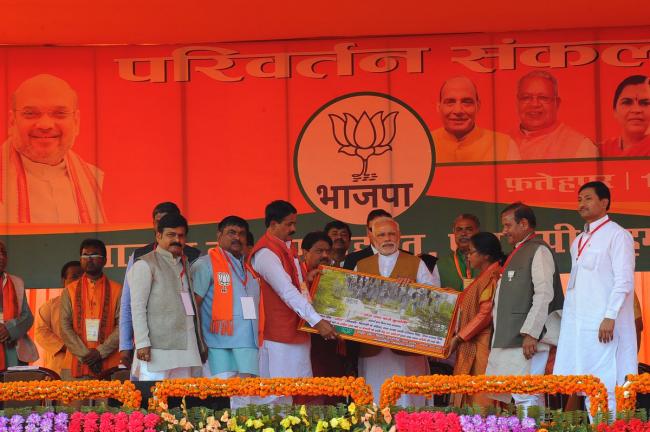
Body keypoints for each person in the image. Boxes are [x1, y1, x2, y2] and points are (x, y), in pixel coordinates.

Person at [553, 181, 636, 415]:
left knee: (606, 382)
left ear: (604, 202)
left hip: (604, 324)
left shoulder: (618, 235)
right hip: (580, 326)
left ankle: (610, 428)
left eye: (588, 198)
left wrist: (610, 316)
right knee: (586, 382)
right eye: (579, 199)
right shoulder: (578, 240)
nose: (581, 204)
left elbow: (624, 281)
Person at [248, 200, 337, 404]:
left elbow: (298, 287)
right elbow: (286, 291)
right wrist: (317, 321)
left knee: (293, 395)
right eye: (289, 224)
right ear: (273, 224)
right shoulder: (266, 253)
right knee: (275, 398)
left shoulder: (286, 248)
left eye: (294, 223)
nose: (293, 229)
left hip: (297, 331)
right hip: (277, 336)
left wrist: (307, 281)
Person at [485, 202, 564, 412]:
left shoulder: (539, 250)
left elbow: (544, 294)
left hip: (528, 339)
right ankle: (534, 426)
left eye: (508, 225)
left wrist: (531, 333)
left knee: (526, 394)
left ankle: (532, 426)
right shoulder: (520, 251)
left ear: (524, 224)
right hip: (513, 338)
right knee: (523, 394)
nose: (504, 231)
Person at [1, 74, 106, 223]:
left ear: (76, 122)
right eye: (30, 113)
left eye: (59, 114)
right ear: (12, 122)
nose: (45, 125)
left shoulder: (97, 180)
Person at [355, 218, 438, 407]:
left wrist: (414, 290)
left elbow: (434, 299)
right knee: (374, 396)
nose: (387, 239)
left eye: (391, 234)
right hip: (373, 346)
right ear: (372, 238)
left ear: (399, 236)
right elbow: (352, 301)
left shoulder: (416, 263)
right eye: (381, 235)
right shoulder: (361, 265)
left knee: (409, 397)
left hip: (407, 347)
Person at [119, 202, 201, 369]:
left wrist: (199, 343)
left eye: (181, 235)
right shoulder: (145, 263)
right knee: (153, 387)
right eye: (171, 235)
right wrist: (141, 343)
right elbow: (136, 306)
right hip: (156, 349)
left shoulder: (186, 262)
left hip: (187, 347)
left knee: (185, 387)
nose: (177, 240)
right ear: (158, 235)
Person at [191, 216, 260, 408]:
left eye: (242, 234)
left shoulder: (249, 269)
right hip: (218, 348)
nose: (237, 237)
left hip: (248, 348)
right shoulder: (205, 264)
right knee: (219, 406)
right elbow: (194, 306)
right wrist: (199, 341)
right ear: (219, 235)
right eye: (231, 232)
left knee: (245, 406)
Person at [448, 232, 504, 408]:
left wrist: (459, 337)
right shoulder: (484, 275)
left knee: (481, 396)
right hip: (473, 342)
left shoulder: (493, 275)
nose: (468, 256)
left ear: (485, 255)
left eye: (471, 252)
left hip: (483, 345)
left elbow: (485, 314)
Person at [60, 239, 121, 379]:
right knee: (74, 395)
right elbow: (64, 327)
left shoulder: (118, 290)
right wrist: (86, 355)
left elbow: (122, 326)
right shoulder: (69, 290)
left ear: (104, 260)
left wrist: (100, 352)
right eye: (85, 255)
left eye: (94, 255)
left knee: (108, 395)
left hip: (109, 363)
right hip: (75, 362)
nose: (89, 259)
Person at [512, 71, 597, 160]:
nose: (534, 104)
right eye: (526, 97)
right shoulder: (504, 141)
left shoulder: (582, 146)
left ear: (557, 103)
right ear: (517, 102)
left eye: (543, 98)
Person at [432, 76, 518, 163]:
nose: (458, 110)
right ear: (439, 107)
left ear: (478, 106)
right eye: (450, 102)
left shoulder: (504, 145)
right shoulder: (426, 143)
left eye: (467, 102)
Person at [35, 260, 81, 375]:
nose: (79, 281)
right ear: (63, 281)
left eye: (83, 277)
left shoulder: (95, 305)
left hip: (87, 365)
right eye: (74, 277)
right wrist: (66, 347)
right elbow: (41, 332)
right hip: (58, 368)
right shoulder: (50, 306)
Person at [0, 241, 38, 369]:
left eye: (4, 253)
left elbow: (27, 317)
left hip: (13, 346)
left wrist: (9, 329)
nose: (1, 257)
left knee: (14, 380)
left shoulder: (16, 282)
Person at [600, 75, 650, 157]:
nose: (636, 110)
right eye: (627, 102)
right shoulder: (602, 149)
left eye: (645, 103)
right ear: (615, 111)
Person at [437, 214, 481, 291]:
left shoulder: (488, 261)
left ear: (477, 232)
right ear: (454, 232)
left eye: (469, 229)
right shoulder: (440, 265)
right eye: (459, 230)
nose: (463, 233)